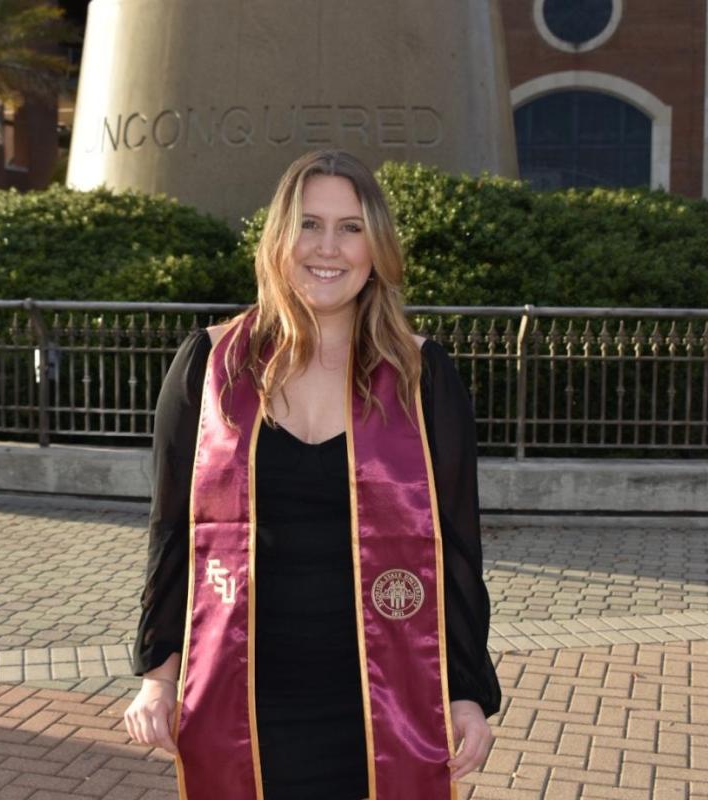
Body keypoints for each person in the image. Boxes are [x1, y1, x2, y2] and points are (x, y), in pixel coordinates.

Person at [124, 149, 501, 800]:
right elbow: (173, 533)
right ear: (279, 237)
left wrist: (465, 691)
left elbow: (457, 545)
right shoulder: (210, 367)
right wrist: (158, 676)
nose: (328, 247)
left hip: (382, 694)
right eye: (309, 224)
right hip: (242, 690)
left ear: (375, 246)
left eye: (351, 227)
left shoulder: (422, 377)